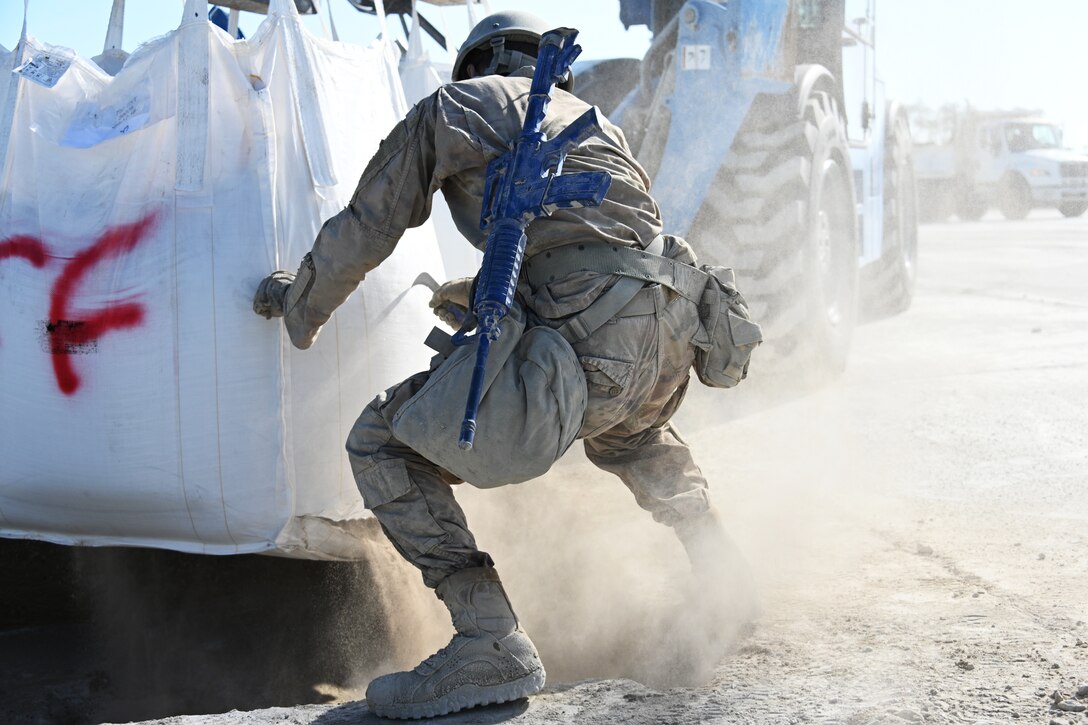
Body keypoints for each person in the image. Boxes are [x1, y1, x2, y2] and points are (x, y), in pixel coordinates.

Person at [253, 10, 751, 720]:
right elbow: (601, 250)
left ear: (476, 64)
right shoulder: (601, 128)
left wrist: (299, 304)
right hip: (667, 336)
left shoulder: (457, 105)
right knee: (626, 431)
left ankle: (488, 637)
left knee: (381, 441)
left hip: (591, 340)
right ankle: (723, 572)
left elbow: (369, 222)